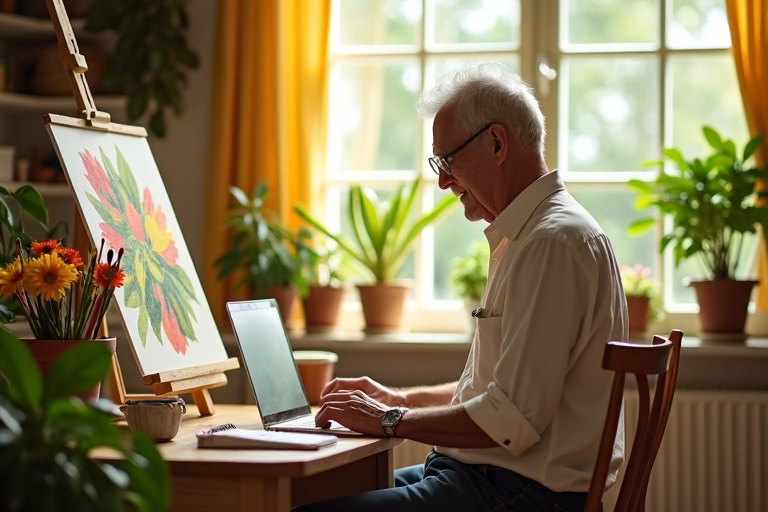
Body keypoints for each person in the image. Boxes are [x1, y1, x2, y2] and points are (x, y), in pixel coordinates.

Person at [293, 61, 628, 512]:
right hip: (486, 478)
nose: (442, 180)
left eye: (447, 160)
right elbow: (496, 393)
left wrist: (391, 420)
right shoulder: (531, 234)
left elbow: (511, 420)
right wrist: (398, 399)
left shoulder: (550, 243)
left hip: (518, 493)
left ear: (496, 142)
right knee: (306, 492)